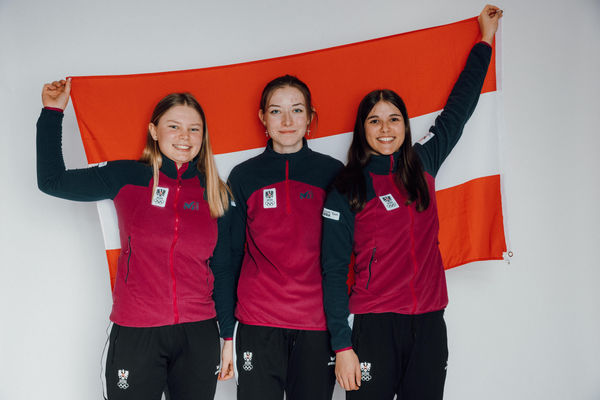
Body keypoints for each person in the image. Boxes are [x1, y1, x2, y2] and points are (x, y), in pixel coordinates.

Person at [320, 5, 503, 399]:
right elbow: (333, 271)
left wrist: (485, 40)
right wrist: (342, 345)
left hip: (429, 323)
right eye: (374, 120)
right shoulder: (347, 187)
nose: (385, 128)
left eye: (394, 119)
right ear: (362, 128)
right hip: (374, 325)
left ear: (405, 125)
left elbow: (458, 110)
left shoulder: (423, 163)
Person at [36, 80, 235, 400]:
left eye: (194, 129)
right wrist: (52, 112)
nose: (185, 136)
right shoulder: (127, 177)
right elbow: (52, 181)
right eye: (174, 126)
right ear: (154, 131)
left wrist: (227, 337)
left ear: (203, 136)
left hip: (198, 335)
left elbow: (223, 270)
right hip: (136, 332)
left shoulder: (215, 193)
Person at [228, 75, 344, 400]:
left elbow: (344, 254)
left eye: (297, 110)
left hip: (316, 324)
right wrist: (225, 327)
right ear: (263, 118)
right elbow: (230, 255)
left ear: (310, 116)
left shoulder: (334, 173)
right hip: (257, 322)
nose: (288, 121)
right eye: (276, 111)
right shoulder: (243, 176)